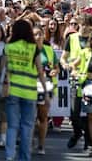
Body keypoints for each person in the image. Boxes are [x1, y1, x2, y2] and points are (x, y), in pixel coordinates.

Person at [0, 19, 47, 161]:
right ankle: (24, 157)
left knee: (12, 126)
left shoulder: (9, 47)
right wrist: (45, 91)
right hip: (29, 91)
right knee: (27, 126)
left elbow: (2, 69)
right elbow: (40, 71)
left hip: (12, 90)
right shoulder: (33, 48)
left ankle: (9, 156)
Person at [60, 14, 92, 150]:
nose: (86, 28)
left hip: (90, 78)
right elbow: (63, 57)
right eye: (84, 24)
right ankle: (77, 132)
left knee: (89, 111)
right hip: (76, 78)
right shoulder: (72, 38)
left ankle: (88, 138)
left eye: (89, 25)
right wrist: (65, 64)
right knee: (74, 112)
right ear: (79, 24)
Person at [33, 25, 59, 155]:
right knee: (30, 117)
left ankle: (41, 145)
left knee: (43, 117)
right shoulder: (27, 51)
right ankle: (30, 142)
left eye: (40, 34)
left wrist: (55, 71)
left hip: (46, 86)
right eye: (35, 34)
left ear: (44, 36)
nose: (38, 37)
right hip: (30, 85)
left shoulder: (49, 50)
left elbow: (56, 67)